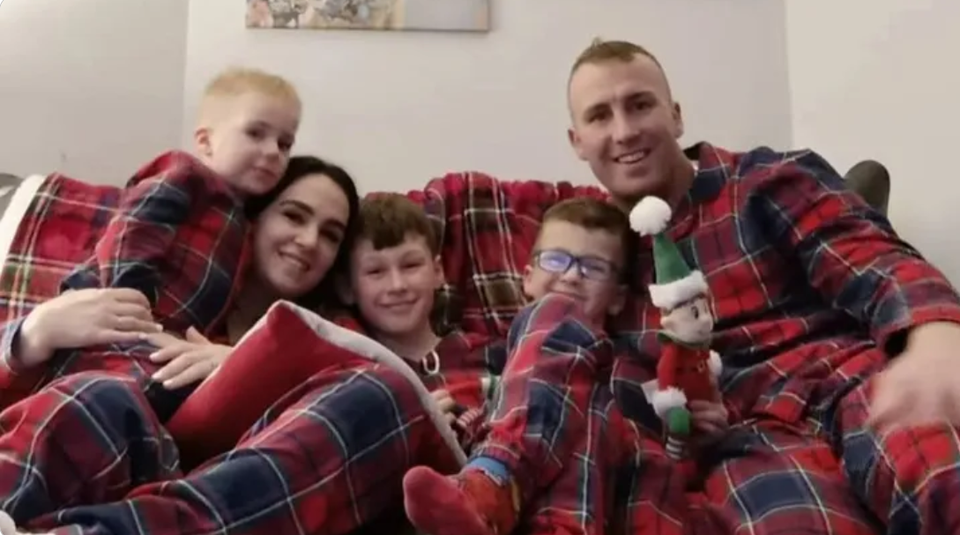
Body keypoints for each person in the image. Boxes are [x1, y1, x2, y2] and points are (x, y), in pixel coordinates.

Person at [399, 38, 960, 535]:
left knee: (939, 470)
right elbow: (421, 221)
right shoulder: (590, 243)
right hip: (744, 438)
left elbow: (869, 255)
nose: (623, 131)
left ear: (676, 114)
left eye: (640, 104)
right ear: (577, 140)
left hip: (844, 382)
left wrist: (935, 336)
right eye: (600, 116)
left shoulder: (764, 180)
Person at [0, 156, 359, 533]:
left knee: (103, 400)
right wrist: (33, 332)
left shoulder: (324, 338)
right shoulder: (165, 285)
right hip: (59, 452)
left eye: (331, 235)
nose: (309, 241)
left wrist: (246, 364)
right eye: (294, 216)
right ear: (253, 219)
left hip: (167, 484)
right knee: (92, 400)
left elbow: (352, 397)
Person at [403, 197, 731, 535]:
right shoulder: (493, 356)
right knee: (569, 354)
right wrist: (444, 422)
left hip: (625, 498)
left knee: (604, 412)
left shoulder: (642, 372)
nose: (572, 276)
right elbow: (461, 407)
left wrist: (701, 438)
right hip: (523, 499)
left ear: (618, 298)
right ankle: (494, 479)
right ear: (527, 278)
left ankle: (496, 478)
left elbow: (672, 461)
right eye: (556, 260)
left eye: (594, 267)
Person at [41, 67, 301, 418]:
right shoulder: (186, 174)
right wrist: (131, 295)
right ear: (206, 141)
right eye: (255, 133)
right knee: (106, 395)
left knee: (177, 402)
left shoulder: (247, 223)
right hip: (118, 320)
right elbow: (136, 226)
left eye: (285, 144)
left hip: (164, 341)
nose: (273, 152)